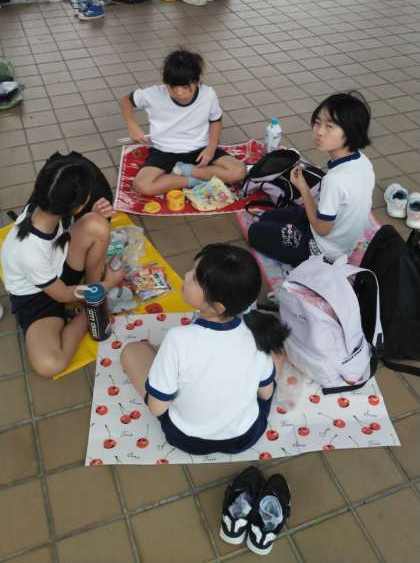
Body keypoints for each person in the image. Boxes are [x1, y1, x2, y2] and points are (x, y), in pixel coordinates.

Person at [121, 243, 289, 455]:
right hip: (244, 437)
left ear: (217, 306)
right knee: (276, 354)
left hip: (187, 439)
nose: (185, 275)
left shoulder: (177, 339)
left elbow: (157, 408)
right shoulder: (256, 334)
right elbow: (265, 394)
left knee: (131, 351)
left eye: (194, 277)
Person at [0, 159, 123, 377]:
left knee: (97, 224)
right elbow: (63, 294)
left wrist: (93, 213)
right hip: (36, 297)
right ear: (77, 205)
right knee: (50, 364)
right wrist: (108, 284)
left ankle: (92, 293)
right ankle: (92, 307)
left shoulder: (45, 206)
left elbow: (68, 229)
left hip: (58, 266)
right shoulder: (29, 252)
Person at [248, 92, 375, 266]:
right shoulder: (363, 161)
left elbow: (322, 229)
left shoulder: (335, 180)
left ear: (350, 132)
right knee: (267, 217)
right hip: (342, 237)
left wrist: (304, 189)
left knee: (255, 231)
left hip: (321, 249)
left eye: (329, 126)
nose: (319, 132)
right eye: (317, 122)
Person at [120, 48, 246, 196]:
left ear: (197, 80)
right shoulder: (154, 94)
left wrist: (211, 148)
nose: (179, 92)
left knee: (239, 171)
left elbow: (215, 120)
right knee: (141, 186)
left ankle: (184, 170)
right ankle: (196, 180)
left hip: (200, 149)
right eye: (172, 87)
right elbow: (126, 100)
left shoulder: (208, 94)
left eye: (185, 87)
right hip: (164, 151)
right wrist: (132, 125)